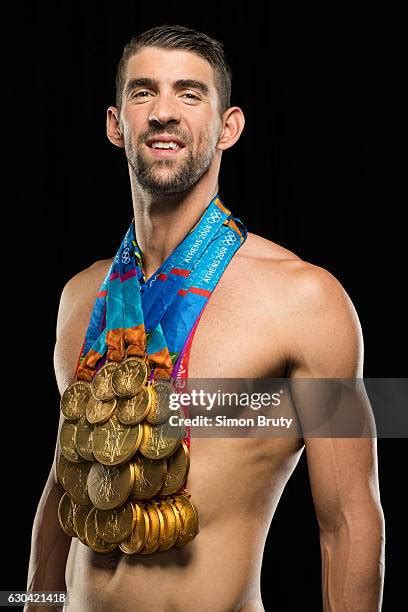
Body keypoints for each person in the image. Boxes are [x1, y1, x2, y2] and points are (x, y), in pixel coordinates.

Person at [26, 24, 385, 612]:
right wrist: (22, 603)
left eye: (189, 94)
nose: (164, 112)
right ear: (117, 124)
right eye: (143, 93)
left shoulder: (303, 299)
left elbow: (347, 520)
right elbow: (65, 484)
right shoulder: (79, 298)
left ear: (228, 127)